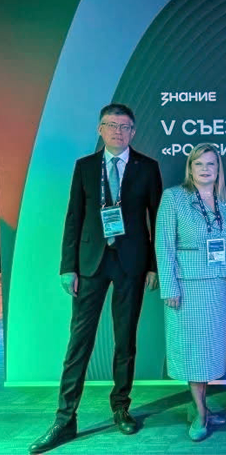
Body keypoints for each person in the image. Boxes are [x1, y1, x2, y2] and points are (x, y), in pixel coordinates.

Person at [29, 104, 163, 454]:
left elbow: (157, 220)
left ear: (133, 131)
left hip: (132, 264)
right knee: (79, 341)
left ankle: (121, 407)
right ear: (100, 129)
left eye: (125, 126)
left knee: (125, 340)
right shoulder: (85, 167)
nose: (118, 131)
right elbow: (74, 216)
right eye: (111, 125)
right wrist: (67, 266)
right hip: (90, 263)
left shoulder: (148, 167)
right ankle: (64, 419)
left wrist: (154, 266)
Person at [155, 143, 226, 441]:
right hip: (187, 288)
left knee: (209, 352)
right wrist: (169, 286)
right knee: (193, 352)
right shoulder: (174, 197)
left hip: (218, 286)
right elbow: (163, 245)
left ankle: (199, 406)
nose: (205, 169)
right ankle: (201, 413)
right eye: (198, 164)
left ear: (218, 169)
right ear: (190, 168)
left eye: (211, 164)